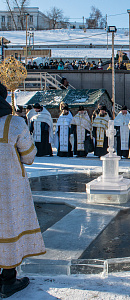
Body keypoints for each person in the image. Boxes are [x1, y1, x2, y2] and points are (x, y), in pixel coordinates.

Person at [0, 83, 46, 298]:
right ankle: (8, 280)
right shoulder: (15, 122)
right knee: (9, 226)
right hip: (9, 187)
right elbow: (28, 156)